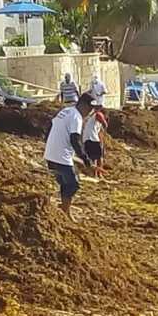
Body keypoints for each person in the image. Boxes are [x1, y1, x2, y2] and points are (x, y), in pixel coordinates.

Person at [44, 92, 94, 222]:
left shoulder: (66, 111)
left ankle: (64, 210)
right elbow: (75, 140)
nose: (89, 112)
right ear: (83, 105)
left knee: (65, 182)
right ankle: (64, 211)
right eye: (89, 109)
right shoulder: (76, 117)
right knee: (73, 184)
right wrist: (86, 160)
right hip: (61, 157)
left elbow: (50, 125)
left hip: (51, 154)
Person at [82, 102, 109, 179]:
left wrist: (101, 142)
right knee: (97, 157)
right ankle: (97, 174)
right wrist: (105, 123)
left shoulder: (93, 120)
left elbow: (100, 134)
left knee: (95, 157)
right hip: (91, 138)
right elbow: (100, 116)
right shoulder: (98, 115)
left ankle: (97, 174)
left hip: (89, 139)